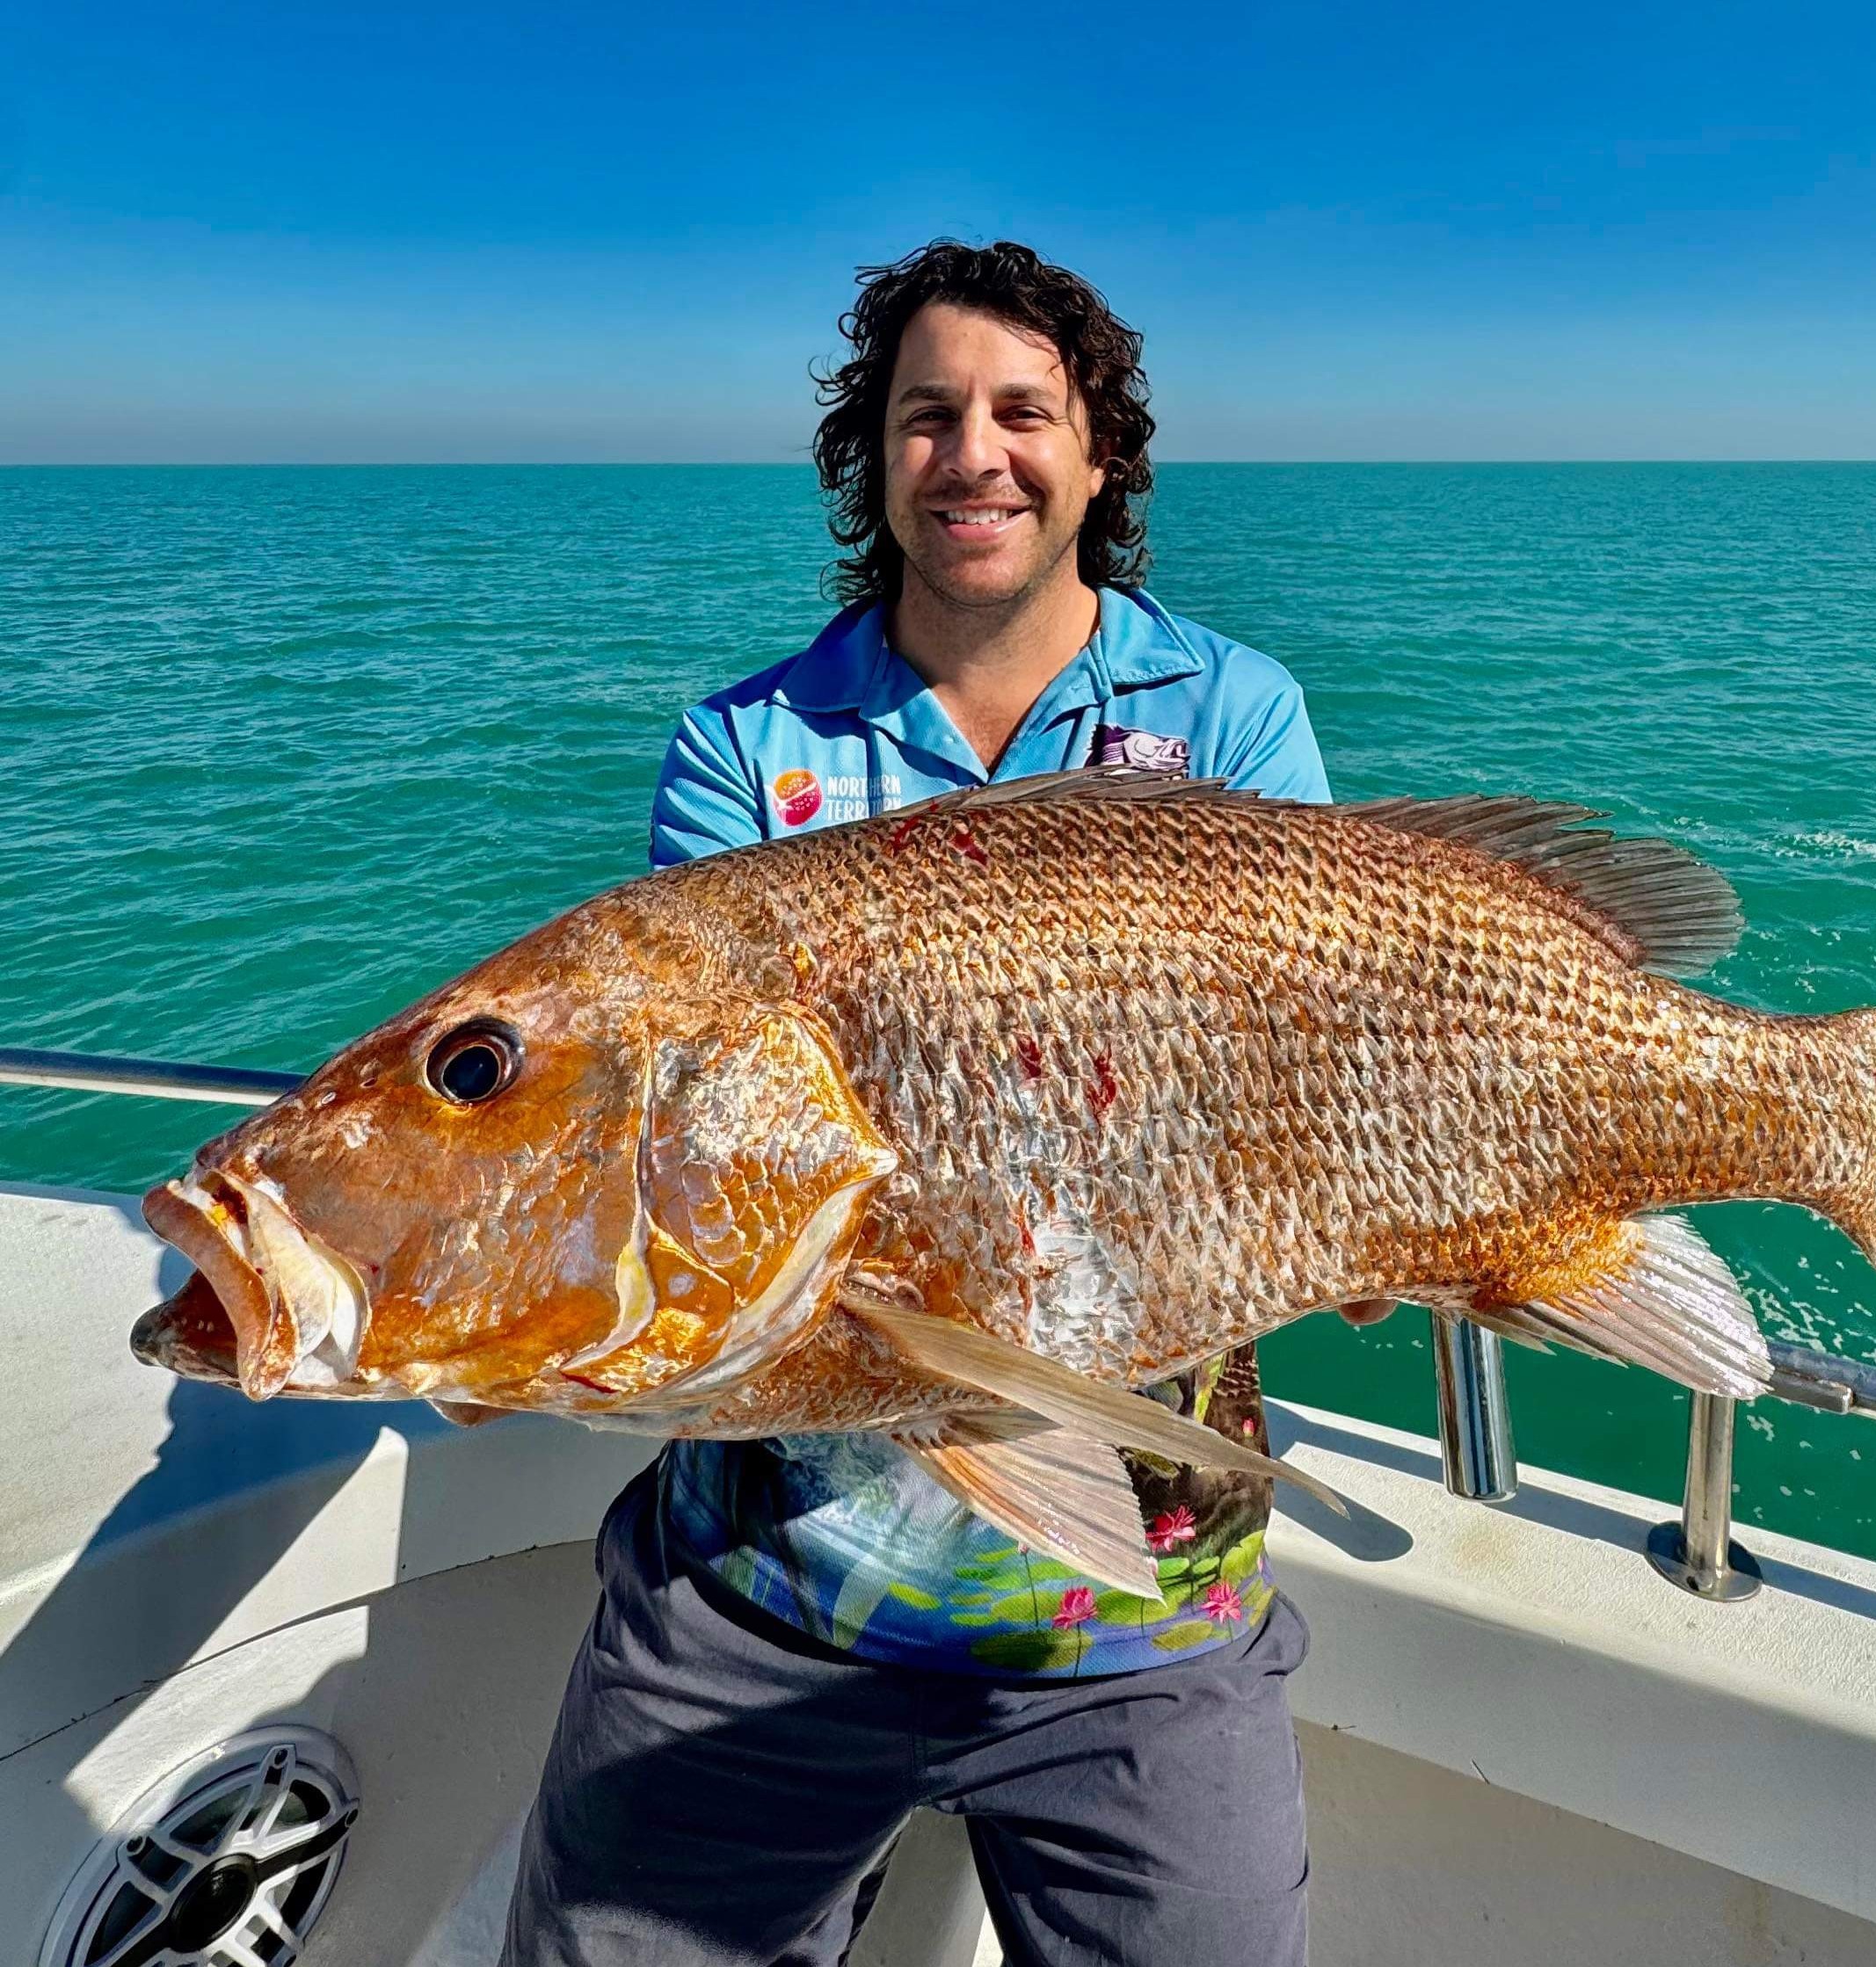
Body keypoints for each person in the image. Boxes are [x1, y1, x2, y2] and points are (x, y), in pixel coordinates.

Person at [504, 238, 1387, 1967]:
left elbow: (1322, 1049)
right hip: (756, 1596)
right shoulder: (745, 748)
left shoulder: (1230, 712)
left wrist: (1381, 1206)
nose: (972, 453)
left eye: (1020, 412)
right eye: (926, 417)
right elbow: (702, 1147)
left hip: (1146, 1604)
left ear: (1099, 454)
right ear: (874, 459)